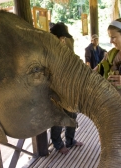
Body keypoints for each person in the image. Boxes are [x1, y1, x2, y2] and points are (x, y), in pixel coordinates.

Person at [95, 18, 121, 168]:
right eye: (109, 37)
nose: (111, 41)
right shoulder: (112, 54)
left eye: (114, 37)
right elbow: (97, 71)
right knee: (110, 150)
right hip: (108, 111)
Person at [50, 22, 83, 154]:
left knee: (72, 114)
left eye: (64, 38)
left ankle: (70, 140)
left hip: (69, 87)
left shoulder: (65, 46)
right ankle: (58, 144)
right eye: (61, 37)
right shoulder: (48, 49)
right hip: (55, 88)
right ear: (54, 37)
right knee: (58, 117)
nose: (63, 40)